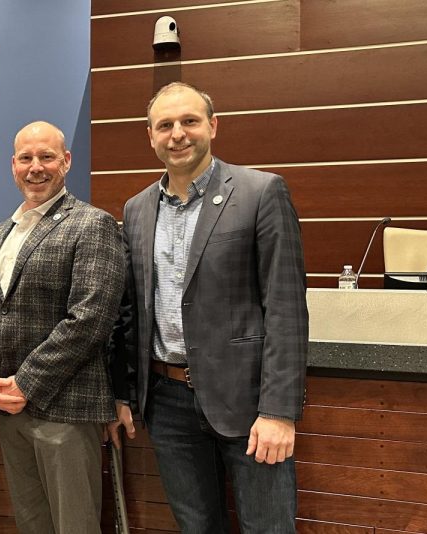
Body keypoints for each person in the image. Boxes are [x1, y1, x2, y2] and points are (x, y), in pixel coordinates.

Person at [106, 82, 309, 532]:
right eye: (165, 125)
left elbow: (286, 309)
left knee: (268, 528)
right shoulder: (137, 210)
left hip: (248, 402)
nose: (178, 134)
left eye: (189, 121)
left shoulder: (261, 192)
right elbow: (130, 312)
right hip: (167, 401)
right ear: (151, 136)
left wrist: (279, 411)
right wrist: (124, 392)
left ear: (213, 127)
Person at [0, 121, 126, 533]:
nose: (35, 167)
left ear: (66, 161)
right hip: (9, 408)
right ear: (13, 165)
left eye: (46, 157)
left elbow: (89, 320)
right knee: (31, 524)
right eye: (26, 158)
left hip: (66, 409)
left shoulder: (93, 225)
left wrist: (25, 383)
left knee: (75, 525)